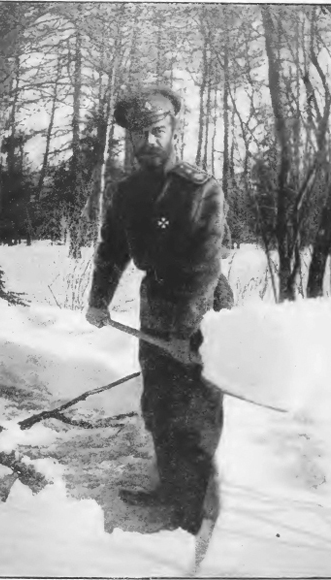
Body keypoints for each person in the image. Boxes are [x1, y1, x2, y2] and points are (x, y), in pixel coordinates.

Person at [85, 86, 233, 536]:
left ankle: (193, 514)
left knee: (196, 413)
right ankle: (169, 491)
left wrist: (186, 332)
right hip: (156, 304)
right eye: (140, 135)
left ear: (174, 130)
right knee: (159, 405)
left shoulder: (201, 188)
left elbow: (206, 266)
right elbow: (111, 249)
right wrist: (99, 299)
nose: (149, 141)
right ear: (130, 140)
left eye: (158, 131)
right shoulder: (128, 191)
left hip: (203, 309)